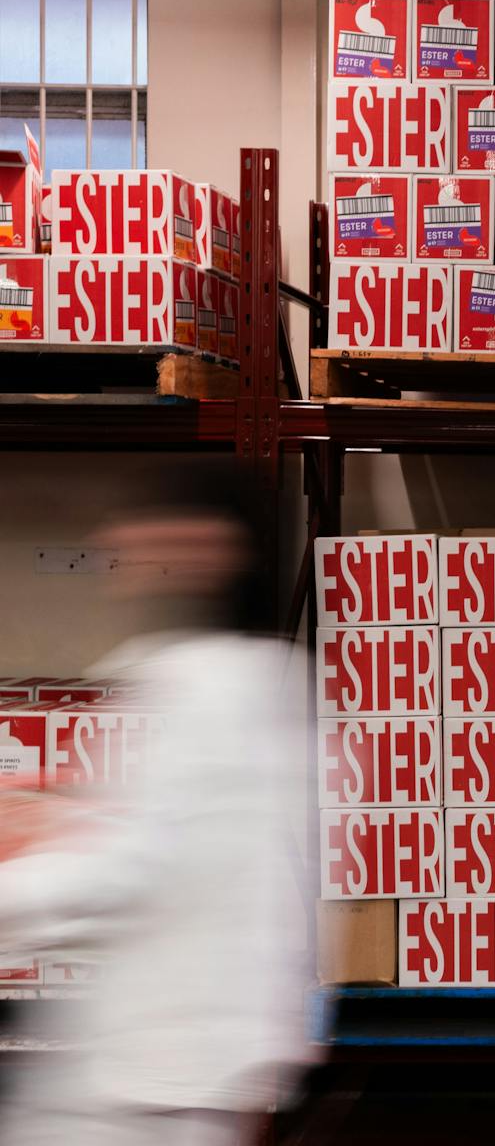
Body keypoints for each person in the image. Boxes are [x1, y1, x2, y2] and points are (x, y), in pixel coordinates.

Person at [0, 462, 315, 1145]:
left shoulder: (210, 692)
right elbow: (174, 846)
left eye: (146, 521)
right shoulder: (260, 682)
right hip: (175, 1066)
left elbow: (135, 868)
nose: (116, 537)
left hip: (156, 1081)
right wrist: (61, 824)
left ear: (208, 546)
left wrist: (21, 870)